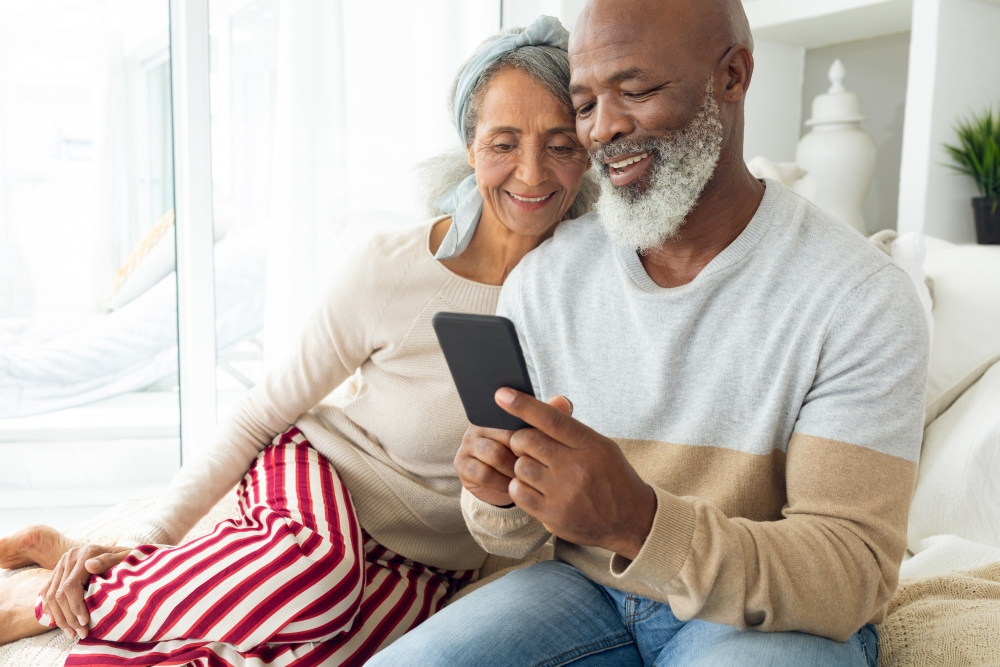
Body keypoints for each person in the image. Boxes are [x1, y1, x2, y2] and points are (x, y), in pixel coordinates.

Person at [0, 16, 595, 665]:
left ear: (589, 149)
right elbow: (258, 414)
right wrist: (148, 539)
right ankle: (32, 603)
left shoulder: (589, 296)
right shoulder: (392, 267)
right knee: (320, 582)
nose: (533, 172)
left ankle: (86, 566)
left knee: (299, 654)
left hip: (428, 561)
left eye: (562, 143)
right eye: (504, 142)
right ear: (471, 146)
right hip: (320, 474)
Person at [368, 1, 928, 666]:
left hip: (766, 619)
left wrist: (639, 523)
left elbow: (848, 576)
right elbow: (511, 536)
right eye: (584, 103)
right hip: (586, 591)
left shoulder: (859, 297)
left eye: (634, 91)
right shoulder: (546, 277)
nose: (602, 130)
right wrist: (496, 491)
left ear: (733, 76)